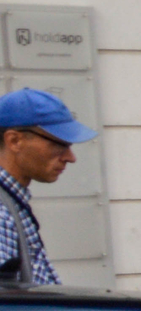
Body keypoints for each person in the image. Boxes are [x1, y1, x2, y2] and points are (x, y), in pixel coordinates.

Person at [0, 89, 98, 286]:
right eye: (59, 144)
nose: (71, 157)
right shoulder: (2, 212)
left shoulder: (12, 200)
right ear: (14, 140)